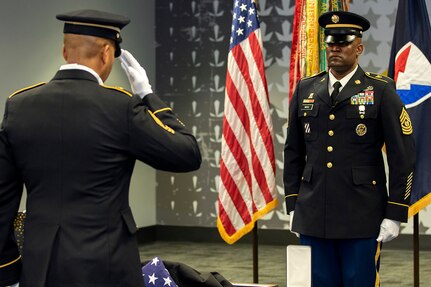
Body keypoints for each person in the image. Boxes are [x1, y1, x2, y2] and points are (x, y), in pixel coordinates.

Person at [0, 9, 201, 287]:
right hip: (107, 261)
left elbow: (3, 198)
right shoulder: (121, 106)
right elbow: (187, 154)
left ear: (64, 50)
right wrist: (147, 95)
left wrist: (7, 269)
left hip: (40, 261)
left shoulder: (18, 106)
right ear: (107, 53)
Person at [284, 11, 416, 287]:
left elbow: (402, 156)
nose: (335, 49)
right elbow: (293, 151)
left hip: (362, 215)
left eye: (342, 43)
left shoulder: (380, 90)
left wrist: (395, 212)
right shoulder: (306, 88)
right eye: (330, 43)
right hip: (313, 214)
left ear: (358, 48)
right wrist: (294, 203)